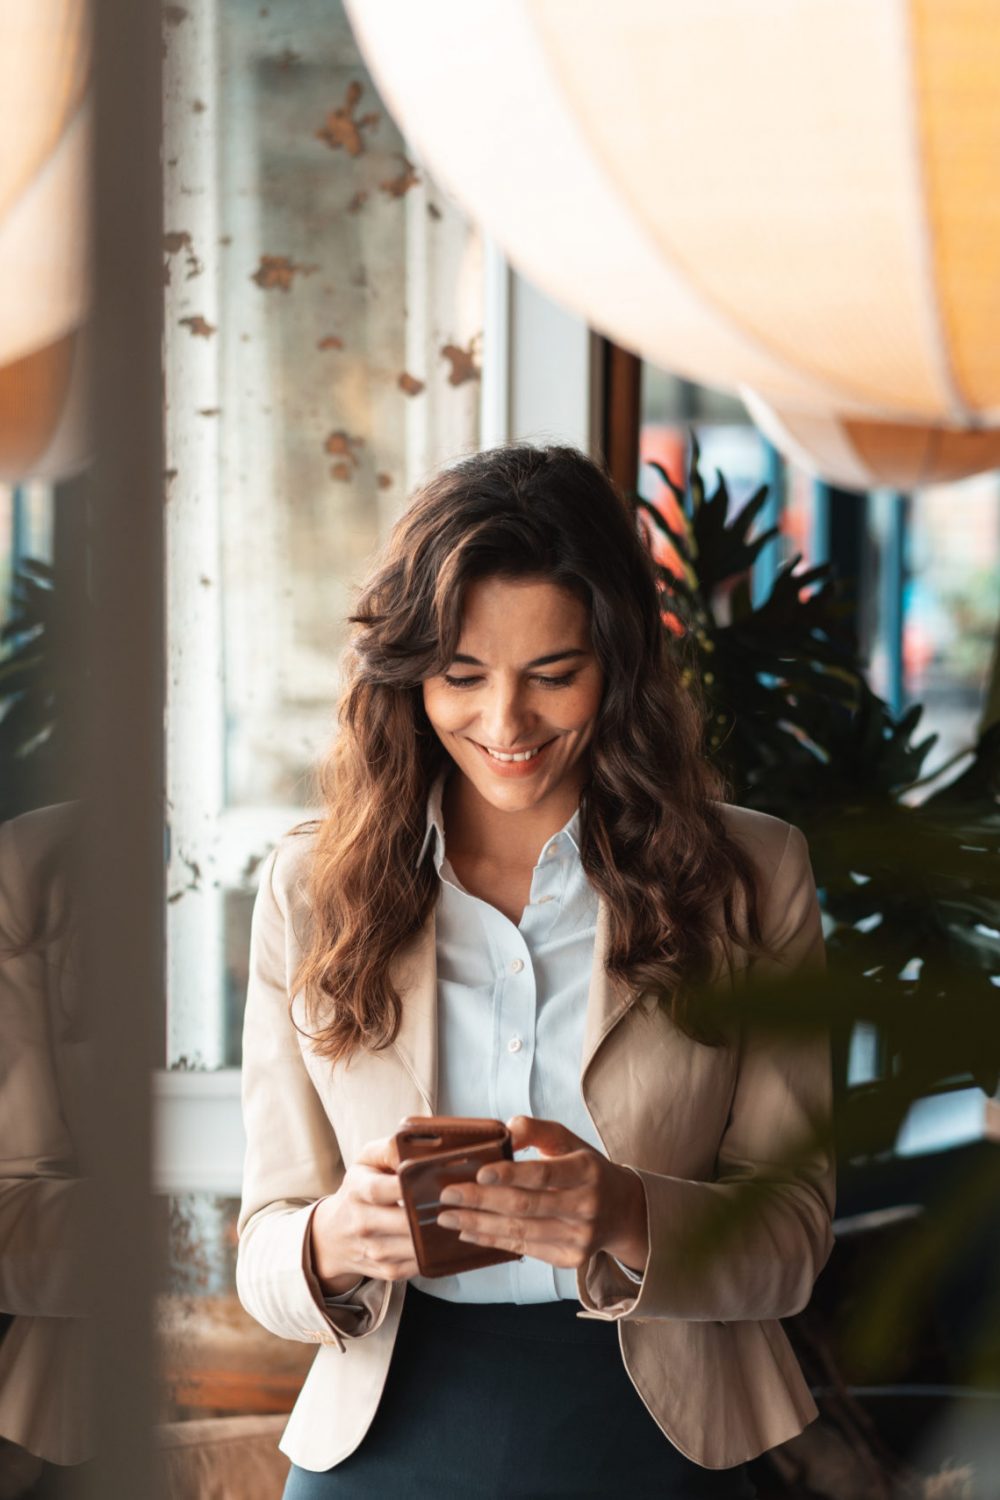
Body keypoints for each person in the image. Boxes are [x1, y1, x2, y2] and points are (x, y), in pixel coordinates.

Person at [235, 444, 836, 1499]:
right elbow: (263, 1248)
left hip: (662, 1438)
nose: (506, 725)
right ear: (407, 671)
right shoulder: (308, 888)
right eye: (461, 677)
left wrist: (622, 1214)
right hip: (386, 1438)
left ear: (619, 663)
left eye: (553, 675)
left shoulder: (751, 874)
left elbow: (789, 1237)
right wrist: (333, 1236)